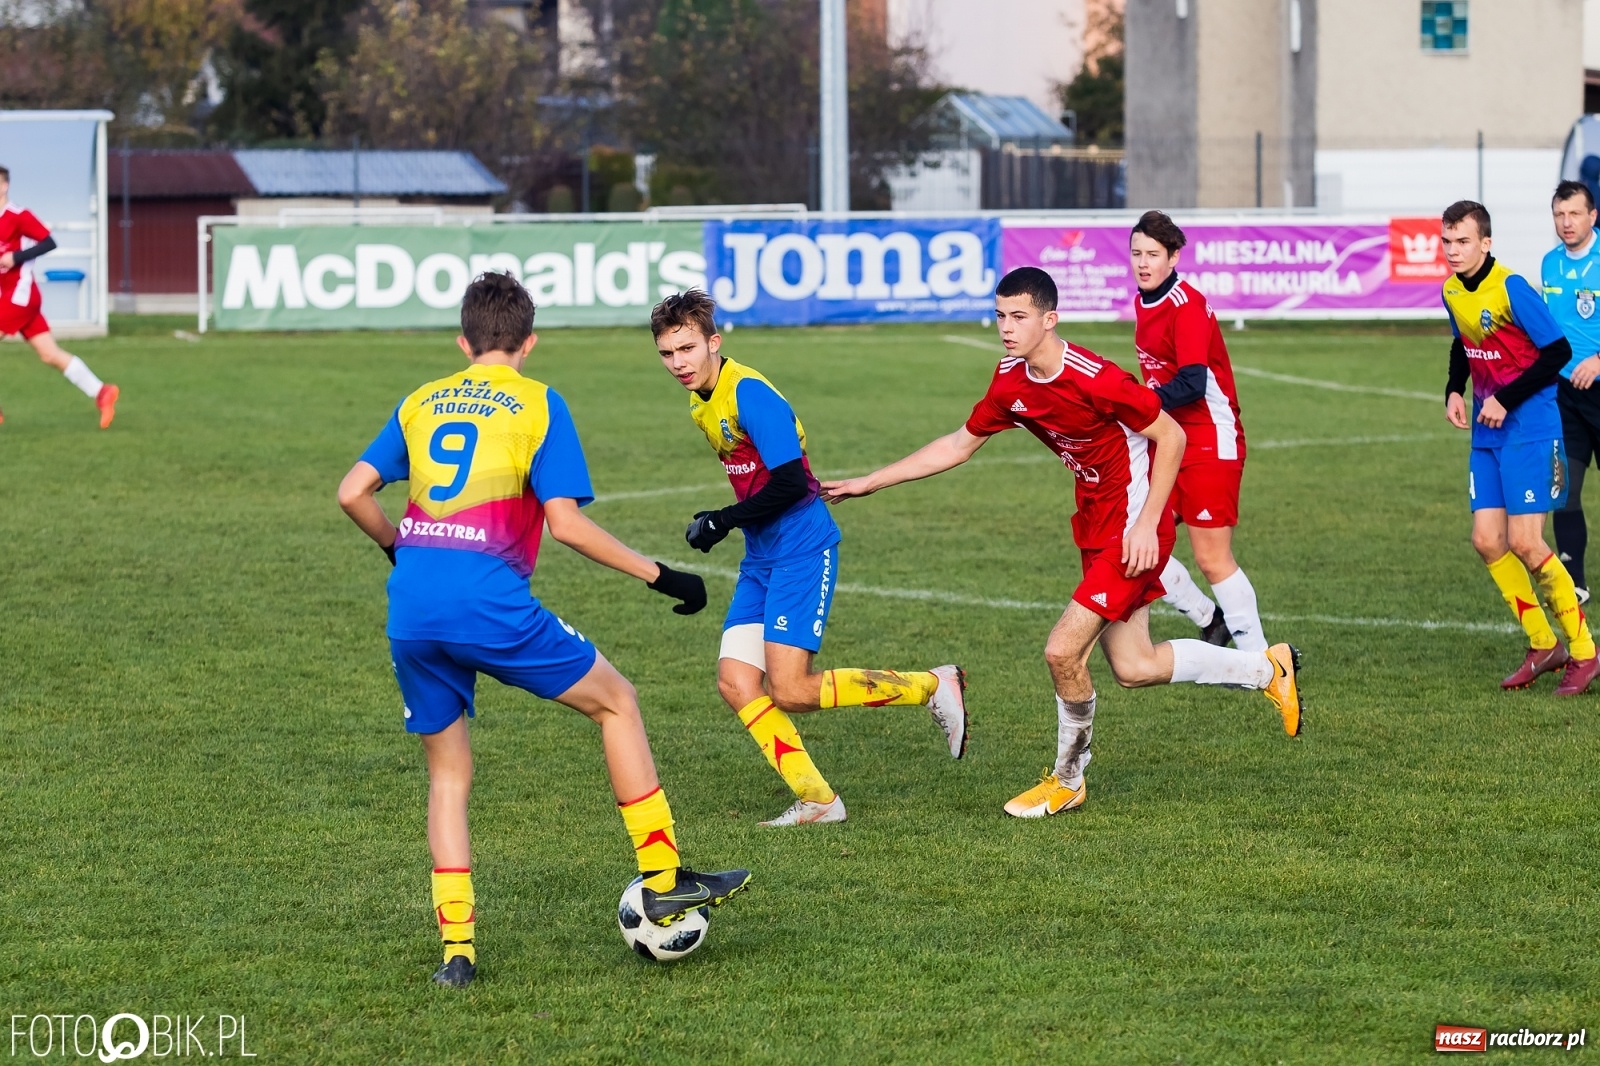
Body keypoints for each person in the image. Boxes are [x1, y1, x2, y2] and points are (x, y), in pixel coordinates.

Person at [338, 273, 749, 989]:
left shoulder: (419, 399)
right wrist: (662, 575)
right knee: (616, 700)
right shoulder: (538, 401)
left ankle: (457, 953)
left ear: (463, 342)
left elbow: (352, 492)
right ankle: (662, 876)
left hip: (410, 608)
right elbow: (566, 524)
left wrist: (400, 549)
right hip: (487, 602)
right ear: (530, 342)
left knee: (449, 775)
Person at [822, 268, 1303, 819]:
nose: (1006, 328)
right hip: (1096, 522)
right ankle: (1268, 670)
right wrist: (868, 481)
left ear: (1050, 320)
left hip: (1132, 529)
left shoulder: (1097, 378)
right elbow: (957, 444)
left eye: (1019, 316)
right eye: (1000, 315)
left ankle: (1068, 778)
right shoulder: (1011, 380)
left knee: (1061, 650)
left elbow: (1172, 434)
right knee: (1134, 666)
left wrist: (1148, 524)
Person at [653, 289, 968, 828]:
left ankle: (933, 686)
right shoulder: (698, 397)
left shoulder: (749, 394)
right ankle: (819, 800)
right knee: (735, 682)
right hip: (762, 555)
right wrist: (731, 520)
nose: (678, 363)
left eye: (687, 349)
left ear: (713, 342)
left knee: (792, 690)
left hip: (801, 548)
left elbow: (795, 483)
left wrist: (723, 519)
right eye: (667, 353)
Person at [1441, 199, 1598, 695]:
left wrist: (1505, 399)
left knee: (1527, 543)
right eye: (1447, 241)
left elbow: (1558, 351)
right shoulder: (1450, 290)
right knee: (1488, 540)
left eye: (1463, 241)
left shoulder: (1510, 286)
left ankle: (1586, 651)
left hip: (1531, 426)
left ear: (1486, 243)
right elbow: (1463, 344)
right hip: (1489, 429)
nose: (1453, 251)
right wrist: (1452, 388)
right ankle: (1541, 643)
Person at [1130, 210, 1266, 652]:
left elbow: (1190, 384)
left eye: (1153, 254)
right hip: (1169, 440)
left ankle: (1262, 662)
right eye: (1136, 253)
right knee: (1135, 538)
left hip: (1210, 439)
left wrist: (1133, 405)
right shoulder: (1143, 300)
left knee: (1211, 557)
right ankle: (1210, 620)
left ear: (1174, 257)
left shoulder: (1185, 308)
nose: (1143, 262)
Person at [0, 165, 118, 428]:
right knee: (49, 354)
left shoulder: (18, 215)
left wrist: (15, 257)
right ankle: (102, 391)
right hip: (10, 295)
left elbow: (49, 242)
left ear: (5, 185)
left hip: (21, 294)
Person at [1541, 180, 1600, 603]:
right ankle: (1574, 580)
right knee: (1564, 489)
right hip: (1565, 397)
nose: (1566, 222)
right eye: (1560, 214)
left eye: (1574, 213)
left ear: (1592, 216)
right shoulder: (1549, 263)